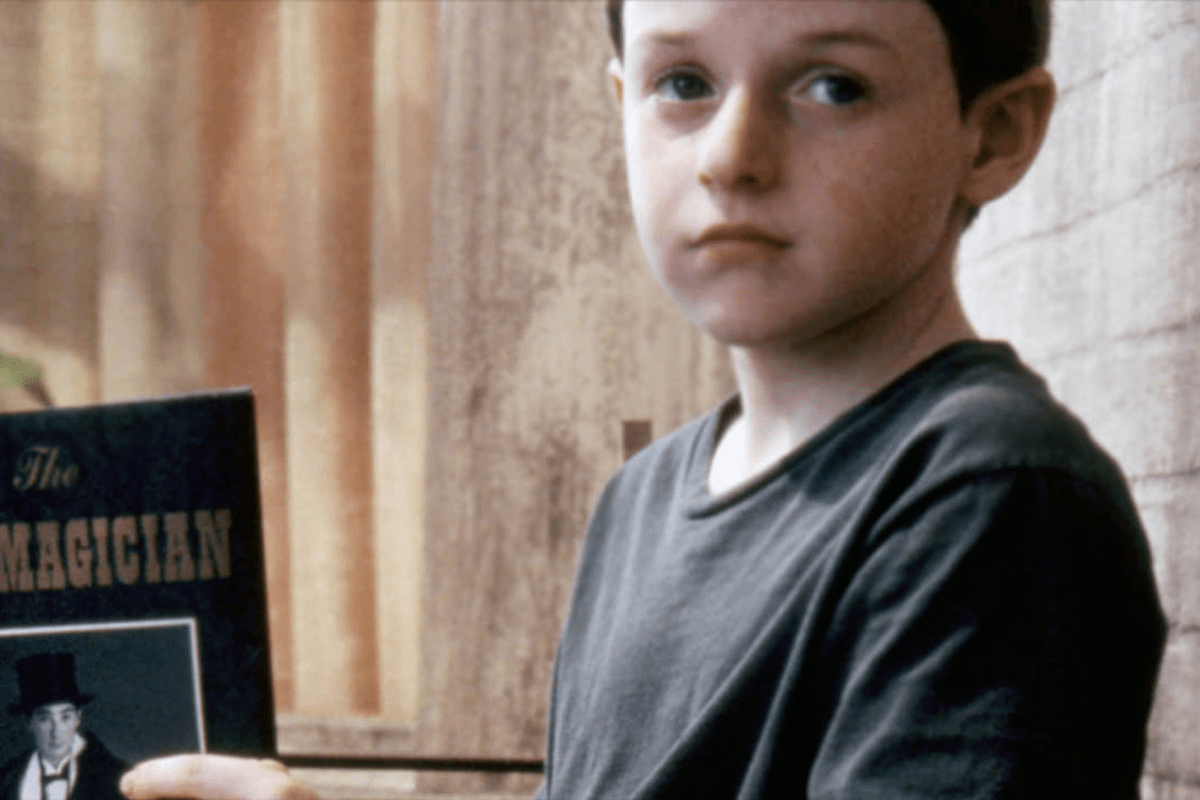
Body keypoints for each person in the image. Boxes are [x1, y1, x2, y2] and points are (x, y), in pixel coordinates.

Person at [119, 1, 1166, 798]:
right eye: (683, 84)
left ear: (994, 134)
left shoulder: (990, 496)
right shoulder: (639, 499)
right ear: (618, 101)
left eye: (833, 87)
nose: (731, 157)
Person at [0, 653, 129, 800]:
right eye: (45, 719)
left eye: (65, 717)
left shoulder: (115, 776)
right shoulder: (7, 780)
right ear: (29, 723)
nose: (57, 731)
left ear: (77, 718)